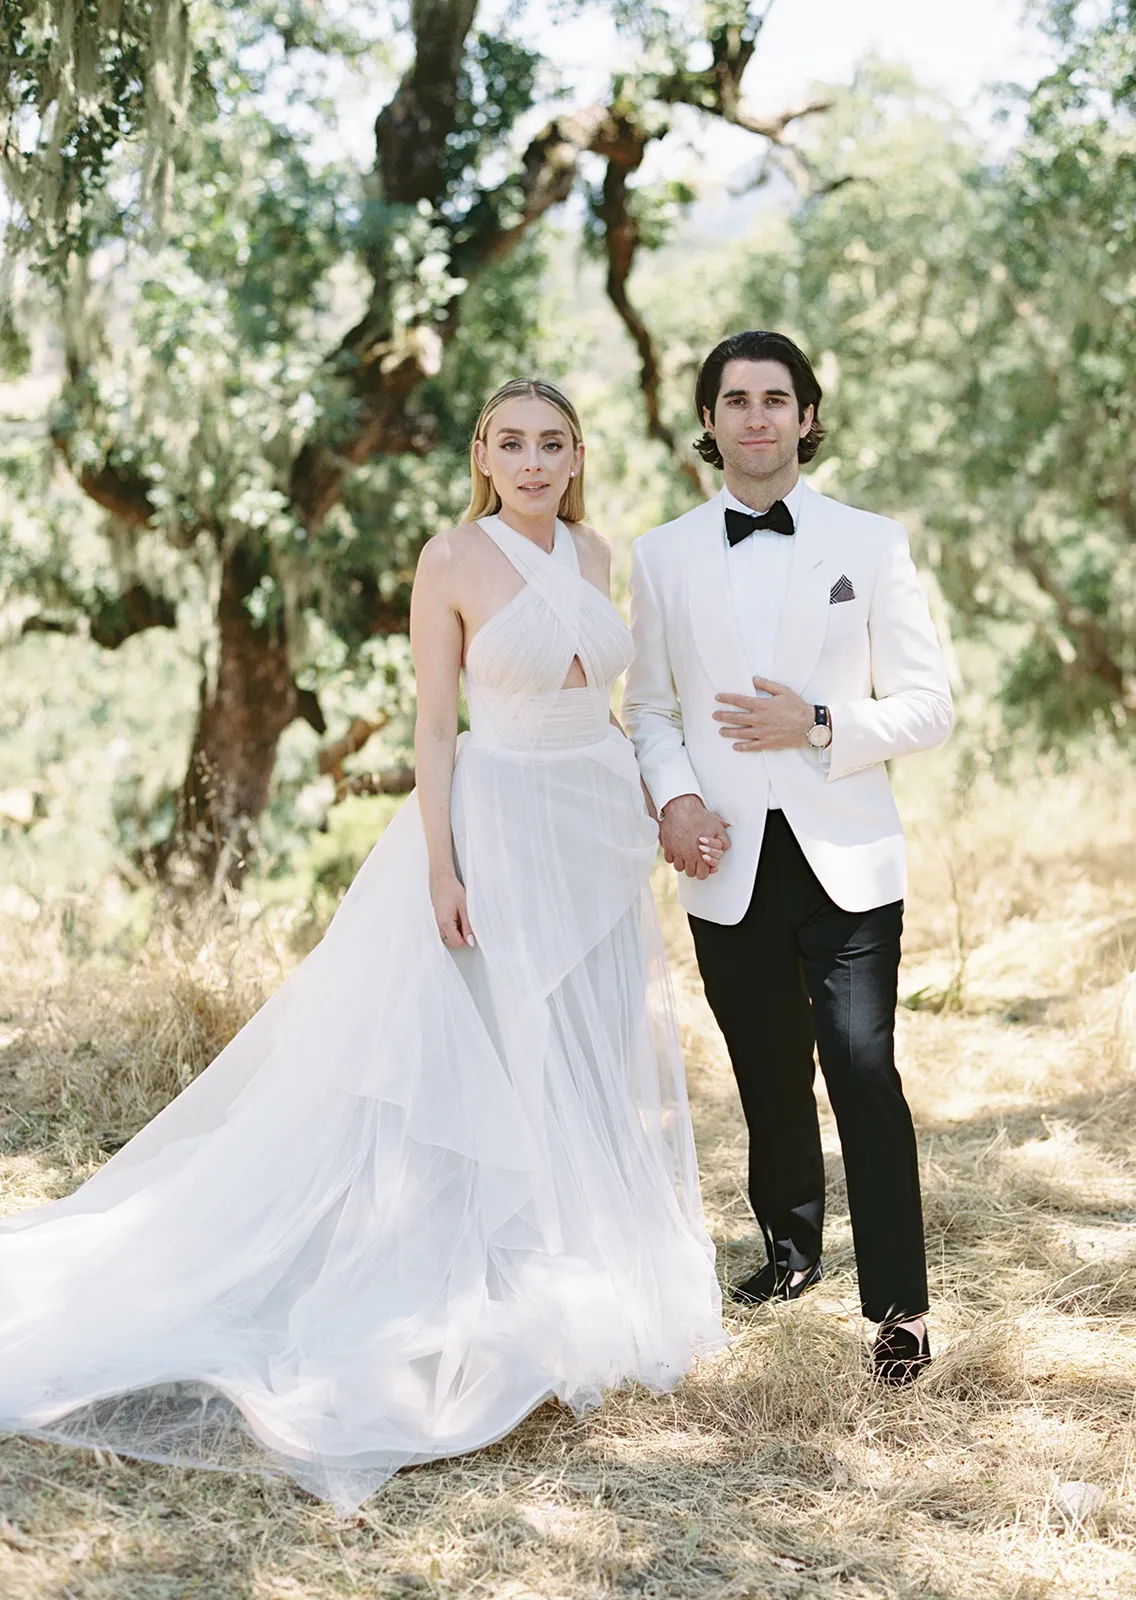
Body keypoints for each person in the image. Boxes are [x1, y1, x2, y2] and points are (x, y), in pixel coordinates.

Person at [0, 379, 725, 1514]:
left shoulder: (596, 552)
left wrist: (655, 805)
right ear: (483, 455)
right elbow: (436, 724)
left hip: (593, 831)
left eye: (552, 443)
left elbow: (621, 708)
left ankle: (566, 1259)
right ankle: (473, 1269)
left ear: (578, 454)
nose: (532, 461)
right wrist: (442, 863)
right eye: (510, 443)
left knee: (584, 1044)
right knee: (491, 1046)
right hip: (497, 824)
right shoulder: (454, 557)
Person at [623, 330, 954, 1384]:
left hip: (847, 852)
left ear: (806, 416)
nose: (756, 415)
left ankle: (898, 1308)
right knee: (766, 1071)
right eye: (735, 399)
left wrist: (816, 723)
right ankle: (788, 1250)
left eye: (776, 398)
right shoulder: (663, 553)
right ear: (709, 422)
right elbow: (652, 710)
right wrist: (674, 800)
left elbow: (928, 706)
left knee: (862, 1069)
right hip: (723, 853)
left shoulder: (874, 542)